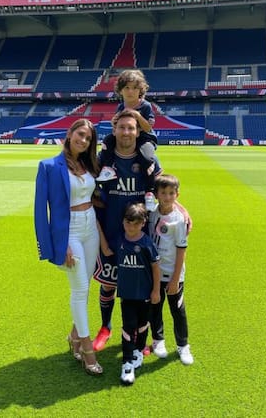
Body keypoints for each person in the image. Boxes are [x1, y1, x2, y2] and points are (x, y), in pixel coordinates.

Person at [92, 109, 192, 352]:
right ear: (114, 130)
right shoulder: (102, 160)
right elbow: (90, 199)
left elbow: (164, 191)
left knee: (143, 288)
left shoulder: (147, 161)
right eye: (122, 127)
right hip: (111, 232)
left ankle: (140, 335)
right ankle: (105, 327)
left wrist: (182, 209)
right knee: (108, 284)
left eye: (131, 128)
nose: (126, 132)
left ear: (138, 132)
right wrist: (102, 238)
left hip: (142, 237)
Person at [34, 118, 103, 376]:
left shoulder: (89, 164)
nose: (83, 140)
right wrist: (55, 245)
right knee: (80, 289)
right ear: (70, 133)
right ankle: (87, 349)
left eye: (88, 138)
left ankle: (74, 336)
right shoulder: (49, 166)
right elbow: (41, 212)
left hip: (90, 226)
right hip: (69, 231)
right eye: (80, 134)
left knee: (85, 287)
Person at [96, 69, 158, 212]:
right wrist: (114, 122)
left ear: (141, 90)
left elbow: (148, 128)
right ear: (121, 90)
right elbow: (117, 124)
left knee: (146, 157)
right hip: (128, 136)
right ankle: (108, 169)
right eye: (127, 88)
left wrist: (136, 115)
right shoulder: (121, 106)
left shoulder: (146, 106)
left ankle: (149, 192)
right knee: (107, 141)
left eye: (135, 88)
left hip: (144, 138)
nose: (131, 91)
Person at [148, 174, 194, 365]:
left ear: (177, 194)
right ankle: (158, 340)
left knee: (177, 310)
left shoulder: (179, 219)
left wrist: (175, 279)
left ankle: (183, 346)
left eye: (171, 193)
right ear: (156, 195)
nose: (167, 197)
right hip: (154, 274)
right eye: (163, 193)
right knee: (155, 307)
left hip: (173, 275)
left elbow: (181, 250)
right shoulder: (151, 214)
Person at [116, 202, 161, 385]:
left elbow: (156, 268)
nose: (131, 227)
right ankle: (127, 363)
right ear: (123, 222)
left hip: (144, 294)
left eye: (136, 224)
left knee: (143, 325)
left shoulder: (146, 243)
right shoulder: (119, 241)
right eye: (128, 223)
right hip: (127, 295)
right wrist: (96, 226)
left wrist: (156, 290)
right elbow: (105, 249)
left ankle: (138, 351)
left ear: (143, 223)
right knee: (128, 326)